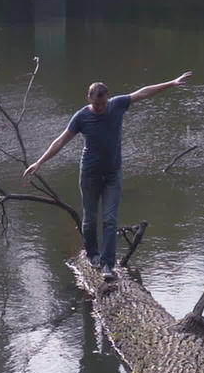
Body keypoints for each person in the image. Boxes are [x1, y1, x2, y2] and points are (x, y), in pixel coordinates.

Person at [24, 72, 193, 278]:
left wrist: (171, 83)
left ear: (108, 99)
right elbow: (60, 141)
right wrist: (39, 162)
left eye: (103, 104)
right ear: (89, 99)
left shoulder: (117, 105)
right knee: (90, 219)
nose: (101, 108)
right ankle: (92, 255)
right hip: (90, 174)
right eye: (97, 105)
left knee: (110, 220)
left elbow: (143, 93)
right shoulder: (81, 117)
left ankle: (107, 265)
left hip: (113, 173)